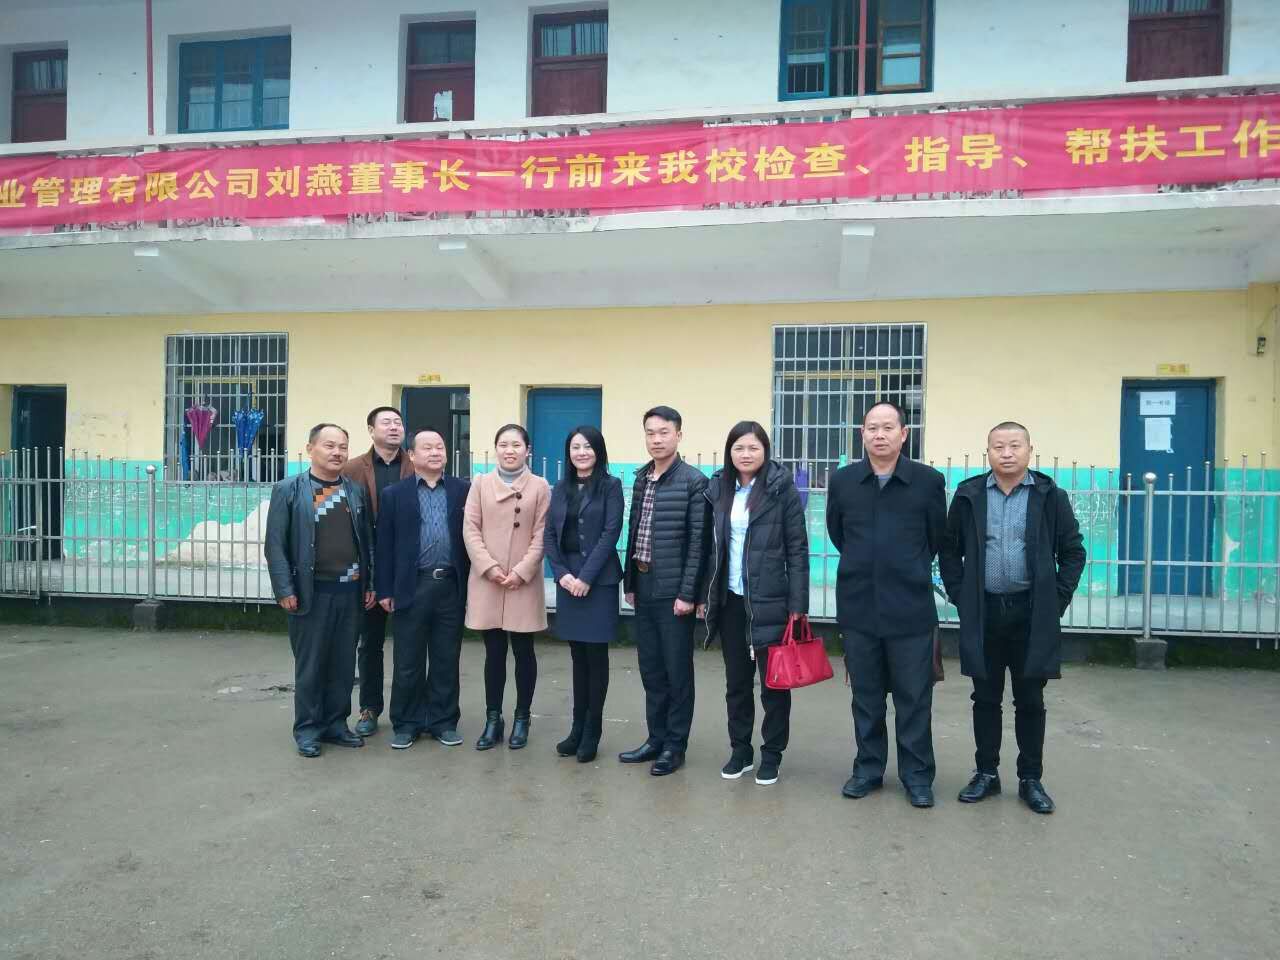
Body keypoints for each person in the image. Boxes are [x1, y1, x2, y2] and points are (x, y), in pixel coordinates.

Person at [939, 421, 1086, 814]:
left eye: (1014, 445)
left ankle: (1030, 778)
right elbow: (949, 550)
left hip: (1031, 613)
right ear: (987, 452)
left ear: (1029, 450)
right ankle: (986, 773)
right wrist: (960, 596)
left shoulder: (1049, 495)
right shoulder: (969, 495)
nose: (1006, 453)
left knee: (1030, 699)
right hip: (984, 612)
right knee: (984, 697)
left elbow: (1073, 552)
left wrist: (1056, 600)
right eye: (998, 446)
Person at [826, 401, 946, 808]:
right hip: (859, 606)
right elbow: (838, 533)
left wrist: (906, 566)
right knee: (867, 697)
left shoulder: (927, 482)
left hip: (910, 608)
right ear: (862, 434)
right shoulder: (844, 481)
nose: (879, 435)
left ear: (903, 434)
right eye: (872, 428)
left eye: (888, 427)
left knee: (914, 698)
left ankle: (917, 776)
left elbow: (935, 536)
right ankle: (868, 769)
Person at [700, 422, 809, 786]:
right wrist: (704, 595)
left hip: (770, 601)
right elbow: (707, 547)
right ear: (729, 452)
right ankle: (740, 750)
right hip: (730, 601)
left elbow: (797, 548)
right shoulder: (718, 488)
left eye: (753, 448)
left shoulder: (781, 489)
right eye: (739, 448)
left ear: (765, 451)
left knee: (774, 684)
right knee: (736, 682)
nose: (746, 454)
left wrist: (798, 603)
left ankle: (772, 753)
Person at [264, 423, 375, 758]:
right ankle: (308, 729)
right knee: (311, 665)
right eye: (329, 445)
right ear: (310, 448)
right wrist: (284, 588)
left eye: (343, 446)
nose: (337, 452)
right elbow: (275, 545)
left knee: (343, 664)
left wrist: (370, 583)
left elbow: (367, 542)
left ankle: (336, 724)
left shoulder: (355, 491)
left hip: (350, 592)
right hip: (310, 592)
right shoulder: (289, 490)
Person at [619, 406, 708, 777]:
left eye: (664, 432)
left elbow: (698, 543)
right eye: (650, 433)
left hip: (674, 592)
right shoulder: (642, 478)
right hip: (644, 584)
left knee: (676, 671)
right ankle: (655, 738)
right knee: (651, 669)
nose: (656, 439)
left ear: (679, 435)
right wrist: (630, 582)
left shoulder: (694, 482)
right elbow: (635, 530)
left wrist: (688, 594)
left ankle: (675, 745)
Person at [375, 428, 471, 751]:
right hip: (411, 586)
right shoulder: (395, 494)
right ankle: (406, 723)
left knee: (447, 658)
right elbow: (384, 545)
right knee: (408, 660)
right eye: (427, 447)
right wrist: (384, 589)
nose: (435, 452)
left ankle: (444, 721)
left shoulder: (462, 490)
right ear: (412, 455)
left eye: (440, 447)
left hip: (450, 586)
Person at [462, 424, 551, 751]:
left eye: (516, 445)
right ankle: (493, 718)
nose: (509, 450)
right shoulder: (480, 484)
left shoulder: (540, 487)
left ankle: (522, 718)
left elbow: (542, 534)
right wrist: (489, 567)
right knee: (494, 652)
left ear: (528, 450)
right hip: (488, 580)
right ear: (496, 448)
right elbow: (470, 529)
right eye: (503, 444)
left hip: (522, 582)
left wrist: (522, 571)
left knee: (524, 651)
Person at [544, 426, 624, 763]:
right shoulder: (560, 488)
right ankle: (576, 729)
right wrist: (562, 574)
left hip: (599, 580)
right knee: (578, 657)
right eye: (575, 447)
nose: (581, 452)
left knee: (595, 657)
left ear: (598, 450)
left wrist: (586, 577)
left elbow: (611, 532)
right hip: (568, 580)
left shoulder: (611, 486)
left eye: (588, 446)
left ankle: (593, 731)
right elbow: (549, 534)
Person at [342, 406, 413, 737]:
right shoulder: (352, 469)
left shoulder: (416, 466)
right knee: (369, 644)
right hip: (368, 569)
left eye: (398, 422)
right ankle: (369, 708)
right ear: (371, 430)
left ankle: (409, 709)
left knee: (411, 644)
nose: (394, 427)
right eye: (386, 422)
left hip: (408, 568)